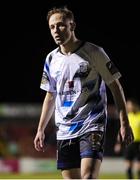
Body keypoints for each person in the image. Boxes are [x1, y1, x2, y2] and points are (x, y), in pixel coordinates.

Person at [34, 6, 134, 179]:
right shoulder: (51, 59)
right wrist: (40, 128)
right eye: (52, 27)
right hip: (64, 130)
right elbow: (50, 95)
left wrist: (124, 123)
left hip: (92, 124)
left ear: (72, 25)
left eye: (61, 25)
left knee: (88, 177)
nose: (56, 30)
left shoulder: (94, 52)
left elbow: (115, 86)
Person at [114, 98, 140, 179]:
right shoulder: (127, 117)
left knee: (139, 168)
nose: (128, 107)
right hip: (129, 143)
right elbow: (121, 131)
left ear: (134, 105)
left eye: (130, 105)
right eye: (127, 105)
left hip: (138, 144)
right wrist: (118, 143)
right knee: (128, 168)